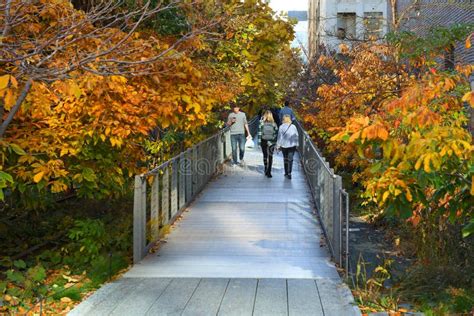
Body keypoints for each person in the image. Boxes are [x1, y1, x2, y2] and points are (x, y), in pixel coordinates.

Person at [277, 114, 299, 179]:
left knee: (285, 158)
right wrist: (297, 144)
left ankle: (286, 172)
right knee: (290, 159)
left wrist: (278, 145)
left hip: (284, 145)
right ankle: (289, 173)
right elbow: (296, 136)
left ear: (283, 119)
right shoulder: (293, 126)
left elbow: (279, 137)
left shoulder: (281, 127)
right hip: (292, 145)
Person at [257, 110, 278, 177]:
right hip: (271, 142)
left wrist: (258, 143)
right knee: (270, 156)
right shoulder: (274, 124)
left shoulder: (261, 123)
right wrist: (273, 141)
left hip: (264, 141)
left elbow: (259, 133)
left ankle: (265, 168)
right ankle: (269, 172)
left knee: (265, 156)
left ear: (264, 116)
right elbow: (276, 133)